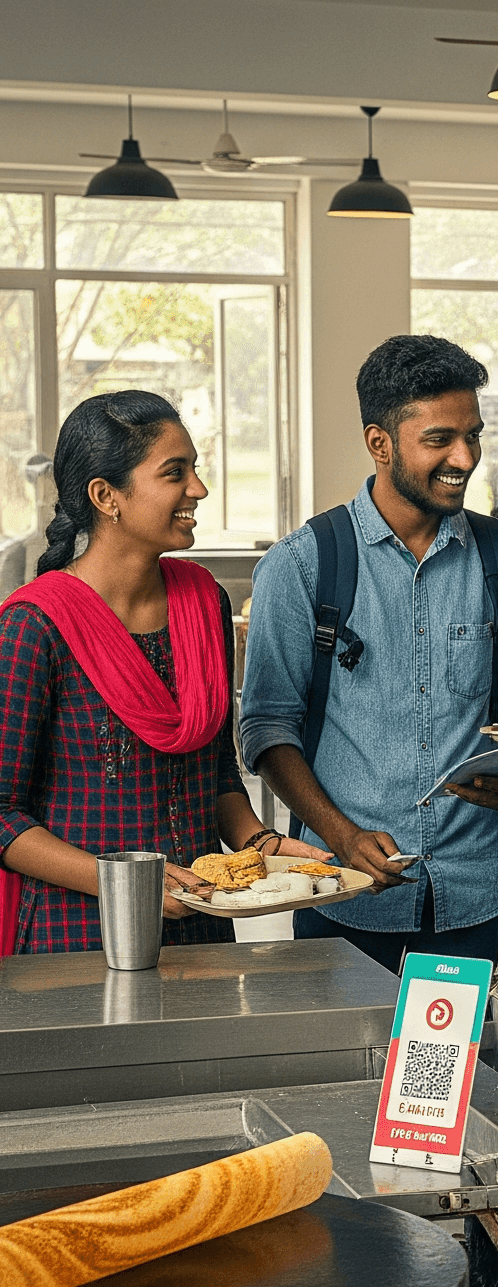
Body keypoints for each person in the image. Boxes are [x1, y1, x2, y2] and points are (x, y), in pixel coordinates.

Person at [240, 336, 498, 973]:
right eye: (439, 439)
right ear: (379, 443)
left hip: (467, 894)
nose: (464, 457)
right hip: (343, 894)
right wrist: (340, 835)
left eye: (473, 435)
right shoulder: (302, 566)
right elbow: (268, 731)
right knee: (343, 1066)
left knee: (441, 1072)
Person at [0, 391, 321, 954]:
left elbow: (218, 777)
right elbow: (2, 816)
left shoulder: (204, 604)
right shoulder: (35, 625)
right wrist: (127, 884)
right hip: (76, 933)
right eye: (175, 473)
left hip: (201, 924)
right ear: (106, 496)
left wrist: (261, 844)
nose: (197, 489)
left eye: (195, 470)